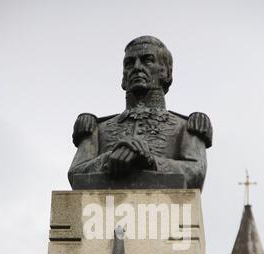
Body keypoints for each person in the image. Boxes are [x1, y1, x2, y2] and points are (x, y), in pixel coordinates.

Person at [68, 36, 212, 189]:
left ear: (166, 72)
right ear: (123, 77)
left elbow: (196, 173)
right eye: (129, 63)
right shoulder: (97, 129)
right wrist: (109, 159)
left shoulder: (186, 126)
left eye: (147, 60)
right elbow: (75, 174)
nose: (136, 67)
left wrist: (150, 162)